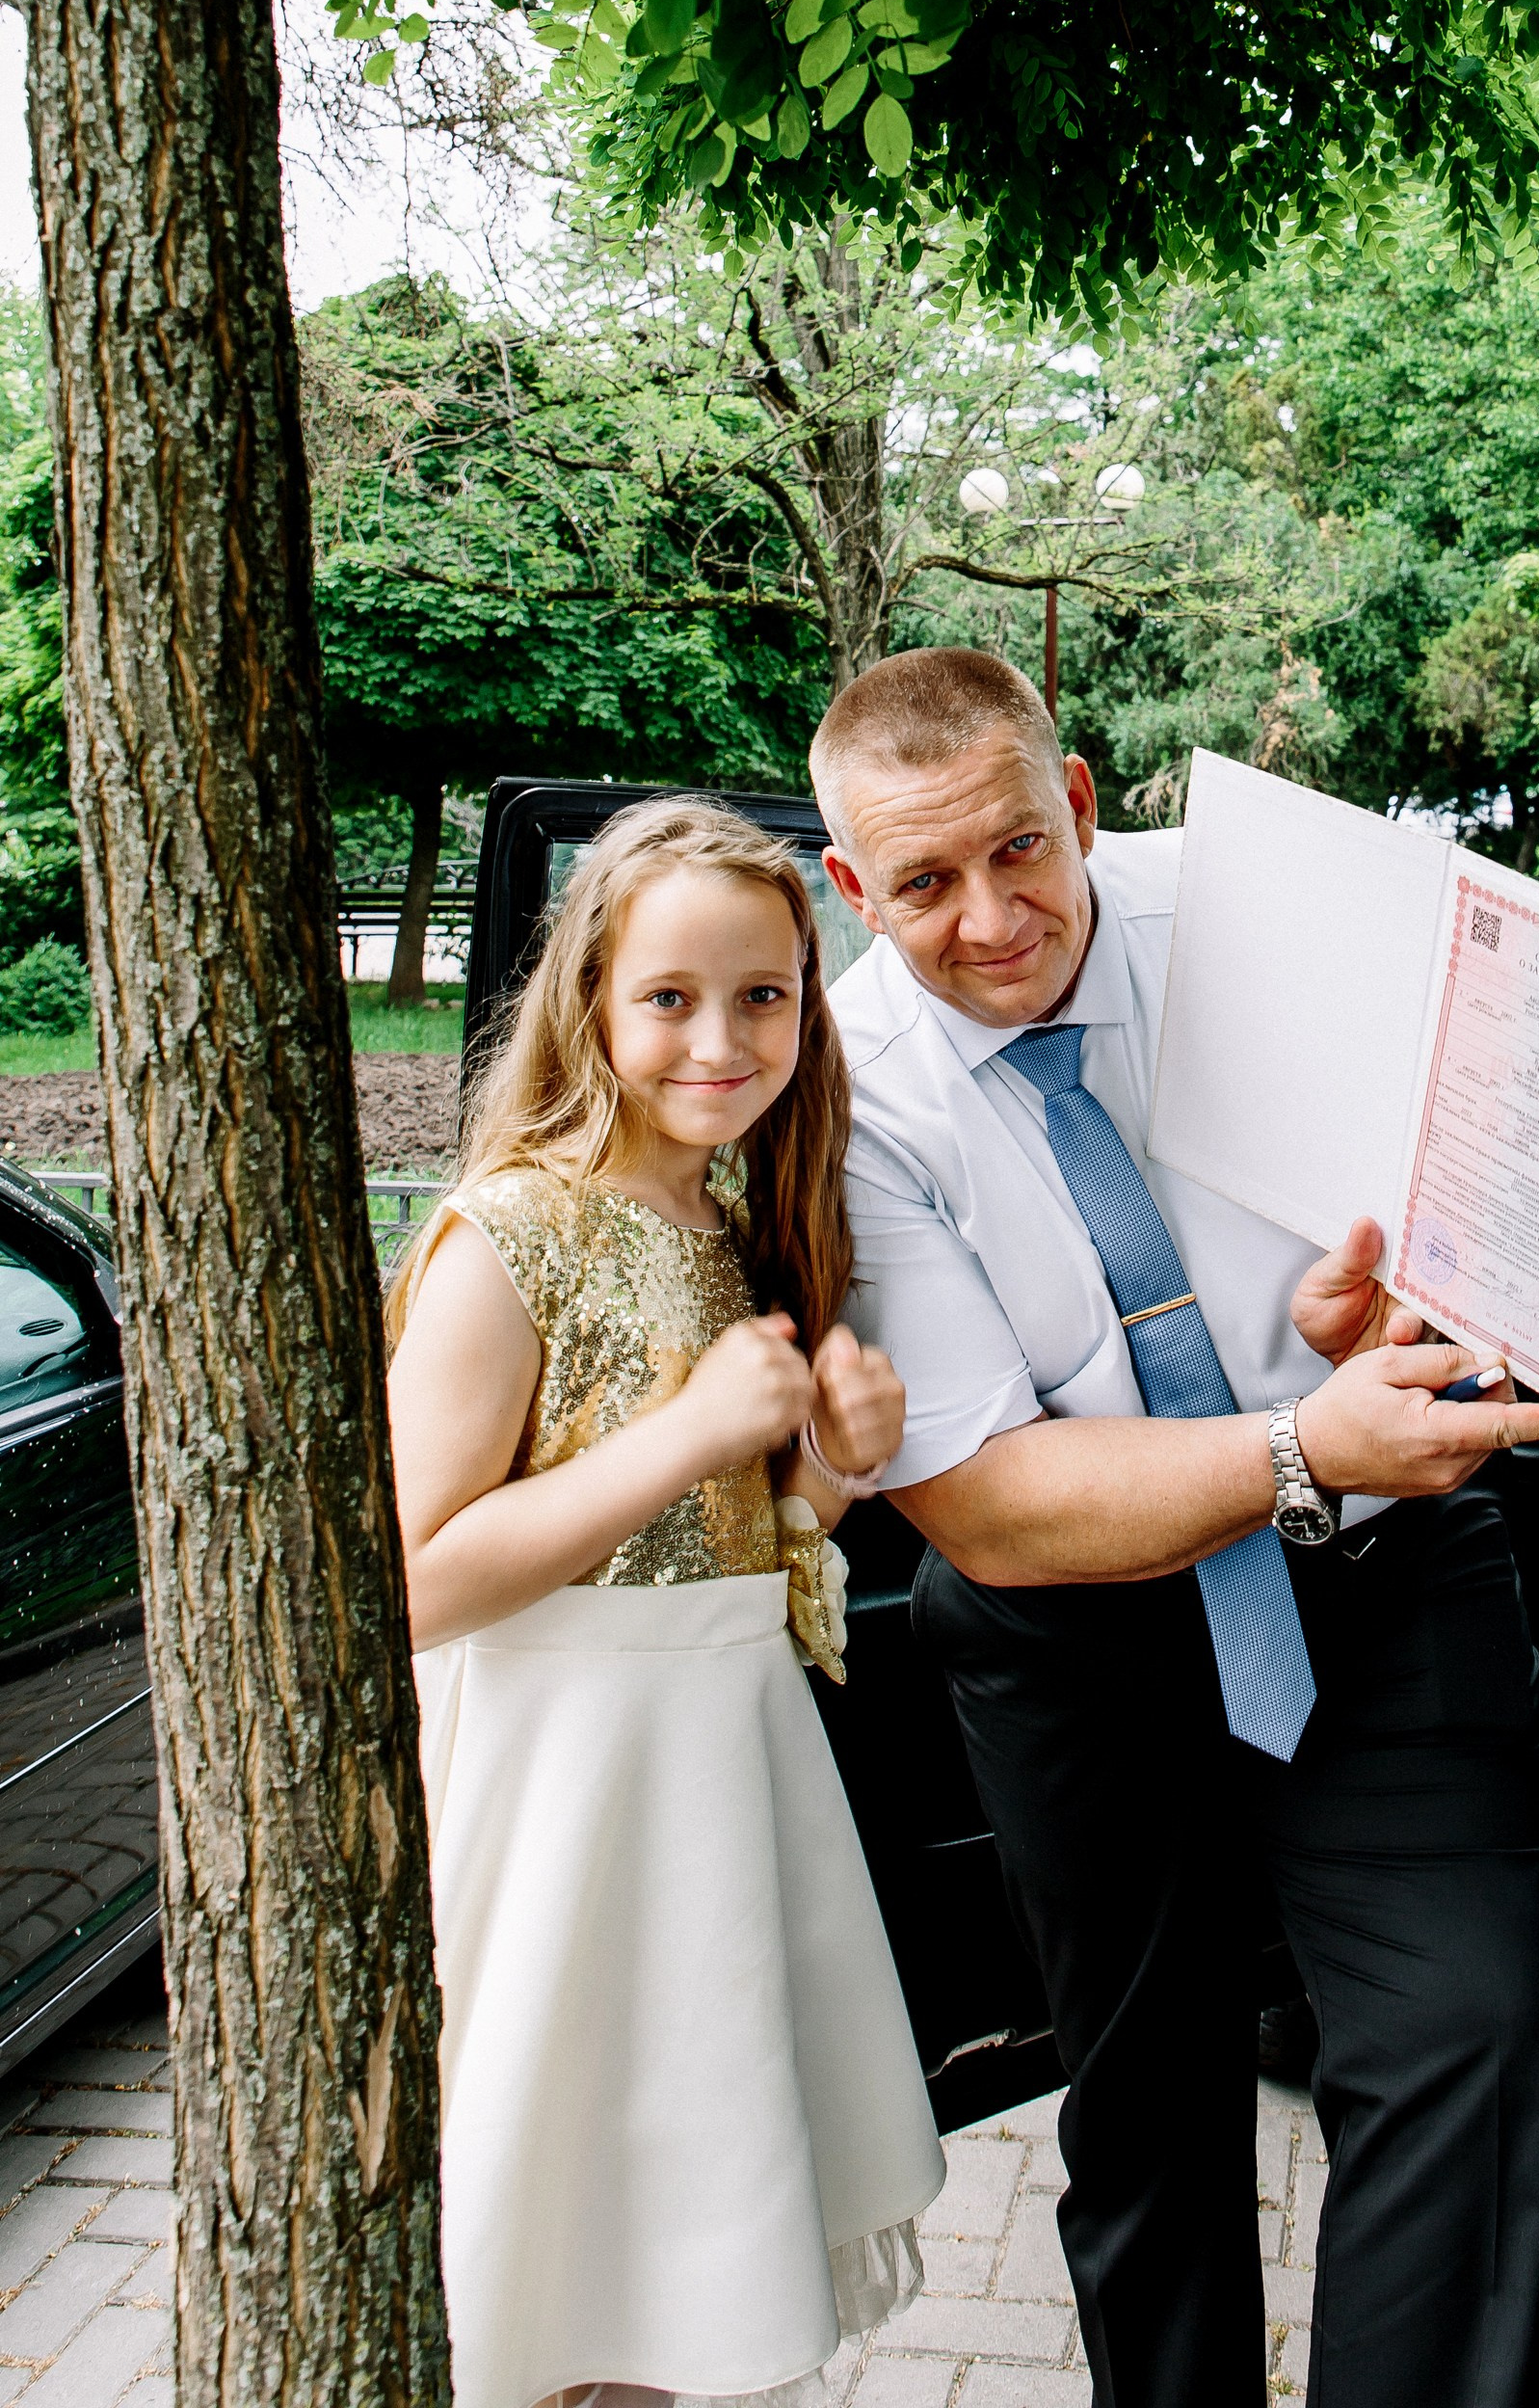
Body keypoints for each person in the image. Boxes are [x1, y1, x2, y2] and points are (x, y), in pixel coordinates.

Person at [812, 648, 1539, 2408]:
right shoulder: (843, 1097)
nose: (994, 916)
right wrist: (1309, 1436)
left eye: (1020, 848)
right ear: (854, 890)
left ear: (1079, 800)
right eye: (924, 884)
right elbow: (995, 1509)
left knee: (1475, 2036)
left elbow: (1490, 1198)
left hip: (1391, 1572)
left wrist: (1408, 1316)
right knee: (1146, 2105)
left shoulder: (1282, 920)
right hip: (1075, 1626)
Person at [385, 796, 945, 2408]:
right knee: (548, 2241)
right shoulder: (511, 1235)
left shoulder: (739, 1229)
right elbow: (415, 1582)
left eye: (764, 995)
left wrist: (830, 1473)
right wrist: (691, 1430)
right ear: (593, 1005)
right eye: (672, 998)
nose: (722, 1036)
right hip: (566, 1787)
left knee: (675, 2239)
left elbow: (739, 1545)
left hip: (721, 1783)